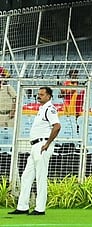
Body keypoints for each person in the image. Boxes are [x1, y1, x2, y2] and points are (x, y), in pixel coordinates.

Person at [10, 87, 60, 216]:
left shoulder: (50, 109)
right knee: (26, 176)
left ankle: (40, 208)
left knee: (40, 176)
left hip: (42, 145)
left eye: (42, 95)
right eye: (38, 94)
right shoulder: (42, 109)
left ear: (49, 96)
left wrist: (47, 143)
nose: (39, 96)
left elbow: (57, 126)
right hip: (35, 146)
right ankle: (22, 206)